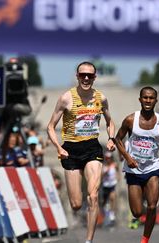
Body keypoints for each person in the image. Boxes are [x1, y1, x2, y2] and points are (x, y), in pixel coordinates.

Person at [47, 61, 115, 243]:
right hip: (70, 150)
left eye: (90, 75)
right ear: (77, 76)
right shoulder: (66, 98)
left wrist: (111, 138)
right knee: (76, 204)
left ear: (95, 78)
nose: (86, 78)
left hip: (92, 148)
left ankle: (88, 240)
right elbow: (50, 127)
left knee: (93, 195)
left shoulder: (101, 98)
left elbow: (110, 122)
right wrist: (58, 147)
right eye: (82, 75)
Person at [114, 86, 159, 243]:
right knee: (136, 212)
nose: (148, 101)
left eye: (151, 98)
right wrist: (127, 158)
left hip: (152, 168)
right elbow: (117, 139)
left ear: (156, 100)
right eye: (145, 98)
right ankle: (138, 209)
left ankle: (145, 240)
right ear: (140, 100)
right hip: (133, 170)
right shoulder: (130, 120)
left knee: (152, 206)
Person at [101, 151, 119, 225]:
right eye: (107, 158)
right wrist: (106, 171)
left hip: (112, 184)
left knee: (112, 198)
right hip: (105, 185)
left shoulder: (114, 165)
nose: (108, 160)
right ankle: (106, 213)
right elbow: (101, 176)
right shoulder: (103, 166)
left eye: (109, 158)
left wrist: (118, 177)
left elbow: (118, 171)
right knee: (104, 202)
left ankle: (112, 214)